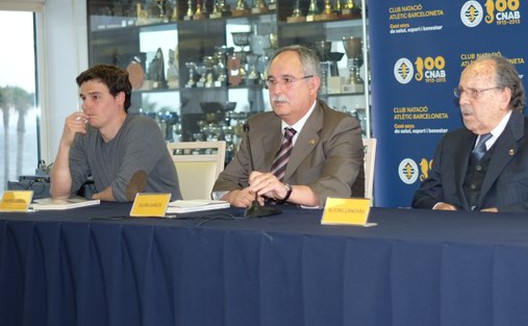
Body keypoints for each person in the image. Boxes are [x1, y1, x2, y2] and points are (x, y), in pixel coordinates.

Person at [411, 54, 528, 212]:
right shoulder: (451, 142)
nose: (462, 101)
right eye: (461, 91)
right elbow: (423, 197)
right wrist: (439, 206)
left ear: (504, 97)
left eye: (474, 92)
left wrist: (500, 215)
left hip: (513, 239)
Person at [213, 45, 364, 210]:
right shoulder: (257, 126)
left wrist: (285, 191)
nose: (277, 90)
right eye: (272, 81)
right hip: (263, 226)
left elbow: (335, 188)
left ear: (313, 85)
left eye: (287, 80)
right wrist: (234, 196)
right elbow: (224, 183)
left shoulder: (340, 127)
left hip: (322, 228)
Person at [50, 64, 182, 201]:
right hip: (115, 218)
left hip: (161, 219)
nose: (85, 105)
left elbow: (126, 190)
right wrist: (64, 144)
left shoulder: (143, 128)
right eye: (84, 98)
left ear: (119, 98)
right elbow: (59, 193)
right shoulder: (87, 133)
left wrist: (94, 198)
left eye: (95, 97)